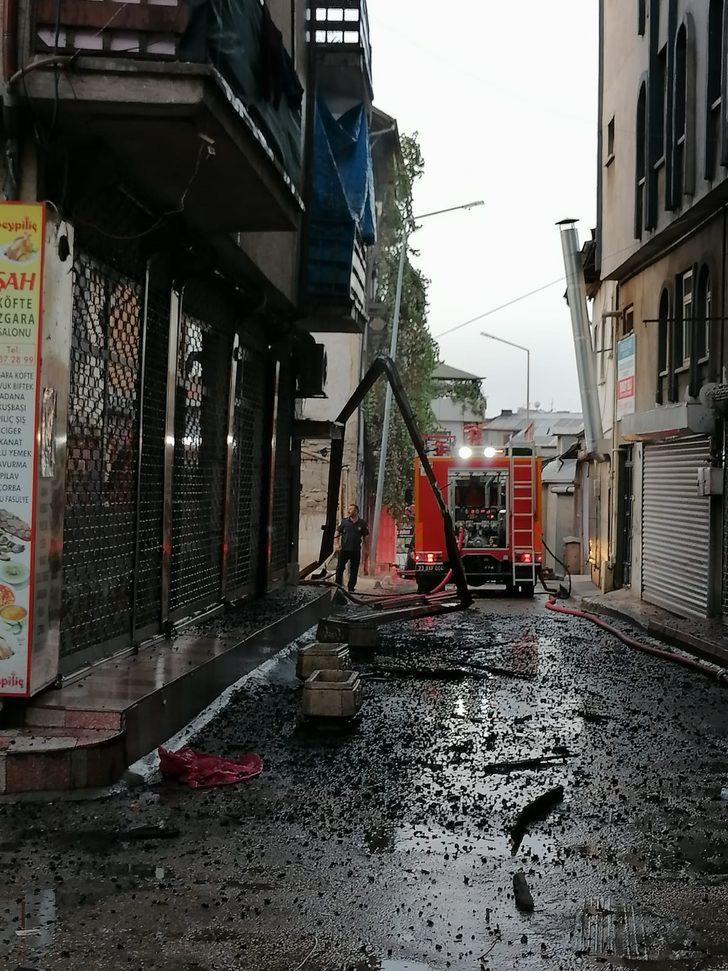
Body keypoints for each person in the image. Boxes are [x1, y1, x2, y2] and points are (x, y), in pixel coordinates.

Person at [335, 503, 369, 591]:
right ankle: (338, 587)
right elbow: (337, 533)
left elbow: (366, 537)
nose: (348, 511)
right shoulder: (344, 521)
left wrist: (366, 549)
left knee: (354, 570)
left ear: (356, 511)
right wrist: (336, 544)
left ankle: (351, 588)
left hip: (355, 550)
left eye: (351, 509)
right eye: (348, 509)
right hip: (344, 549)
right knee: (339, 568)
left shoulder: (362, 523)